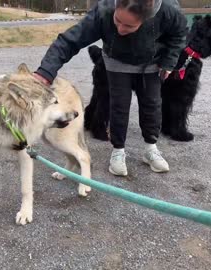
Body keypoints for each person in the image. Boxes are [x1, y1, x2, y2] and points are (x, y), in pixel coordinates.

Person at [33, 0, 187, 176]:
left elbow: (179, 34)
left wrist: (169, 62)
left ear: (146, 19)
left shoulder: (168, 10)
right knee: (119, 106)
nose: (121, 29)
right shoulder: (103, 10)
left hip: (151, 63)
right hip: (116, 61)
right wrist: (45, 73)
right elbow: (69, 41)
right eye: (117, 20)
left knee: (152, 105)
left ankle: (151, 149)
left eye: (129, 25)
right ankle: (118, 151)